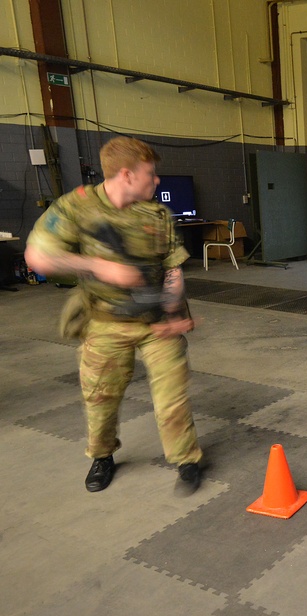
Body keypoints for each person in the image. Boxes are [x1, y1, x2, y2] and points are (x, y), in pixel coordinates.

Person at [25, 136, 203, 496]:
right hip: (105, 322)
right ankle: (102, 455)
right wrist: (99, 266)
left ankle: (186, 458)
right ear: (126, 174)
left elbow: (173, 268)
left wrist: (172, 310)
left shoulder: (156, 214)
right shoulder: (76, 208)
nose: (156, 182)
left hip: (156, 322)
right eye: (150, 175)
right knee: (101, 397)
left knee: (172, 394)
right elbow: (37, 258)